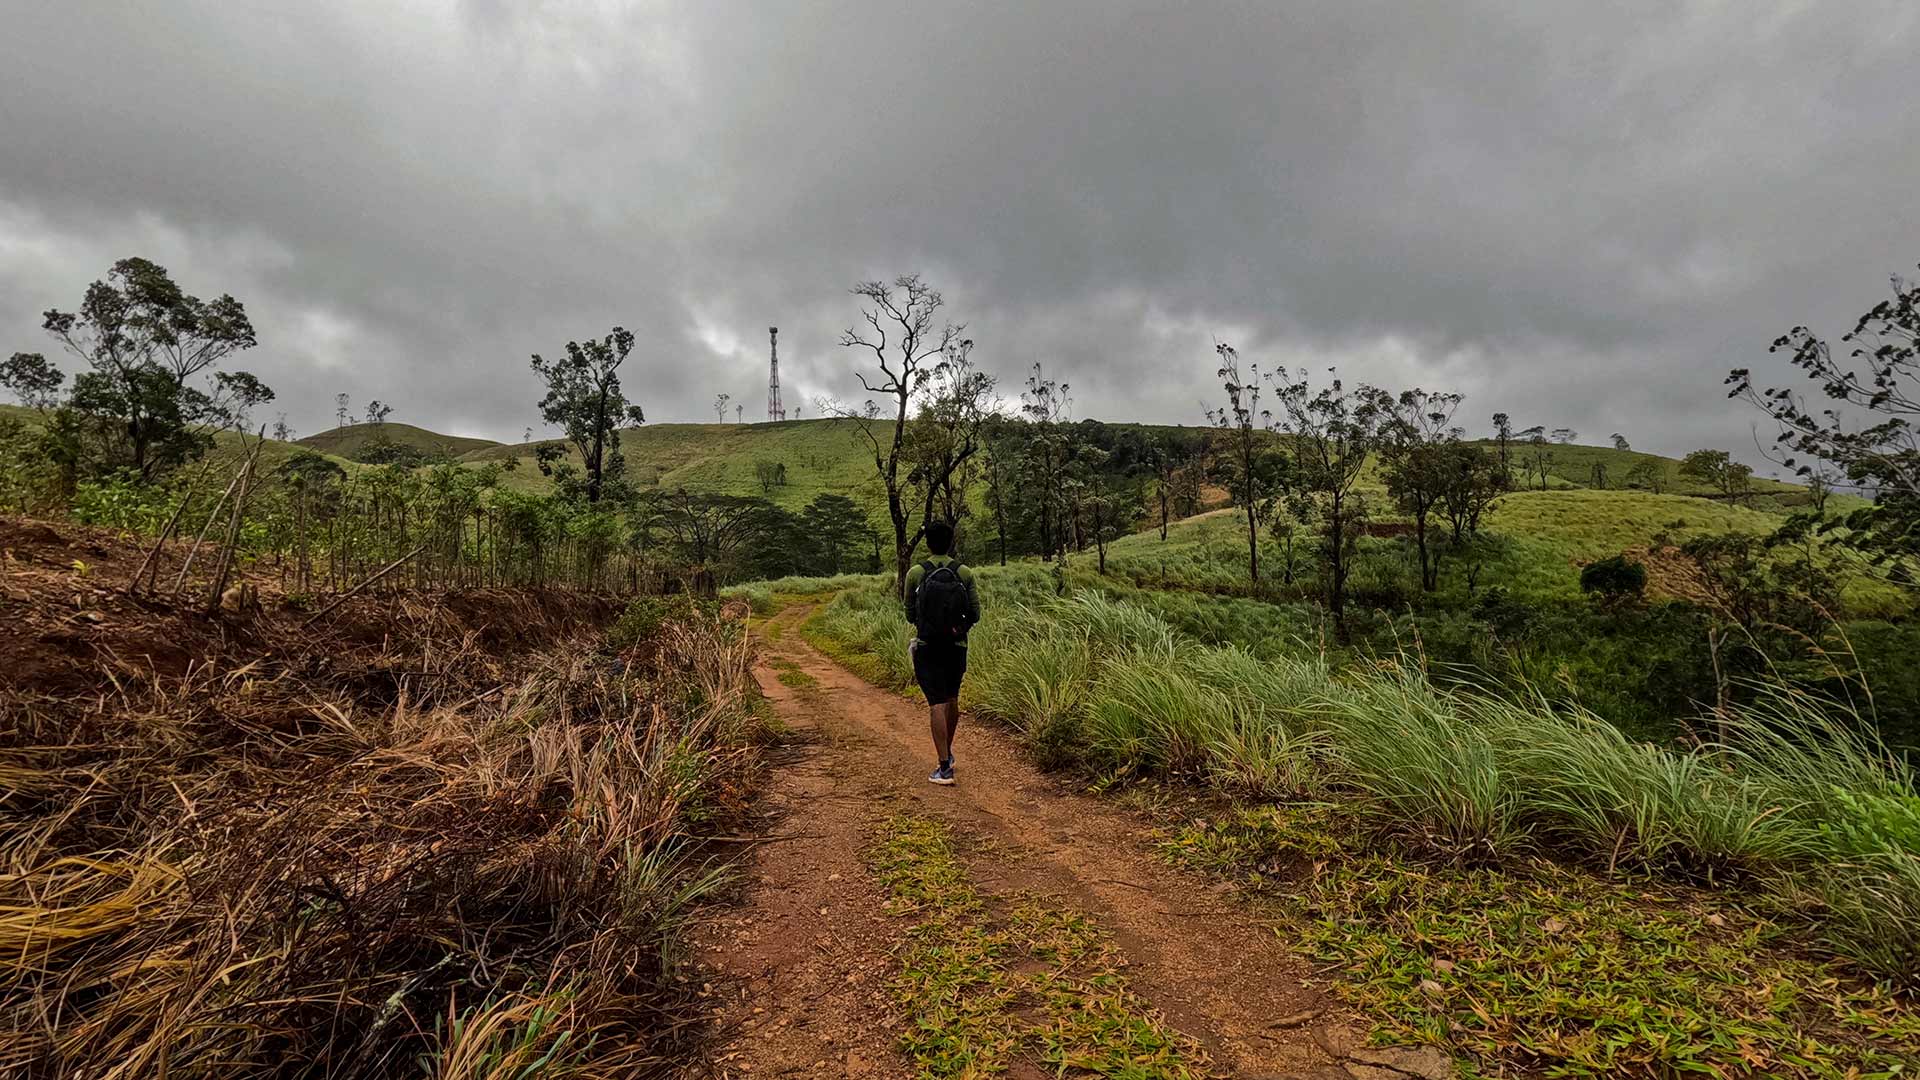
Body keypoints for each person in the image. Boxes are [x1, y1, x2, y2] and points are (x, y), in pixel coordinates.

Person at [904, 520, 980, 785]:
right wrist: (957, 631)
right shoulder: (965, 572)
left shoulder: (916, 572)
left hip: (928, 647)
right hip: (957, 647)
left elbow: (909, 613)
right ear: (951, 541)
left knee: (936, 703)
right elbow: (975, 614)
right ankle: (947, 751)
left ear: (927, 543)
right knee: (951, 698)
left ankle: (944, 766)